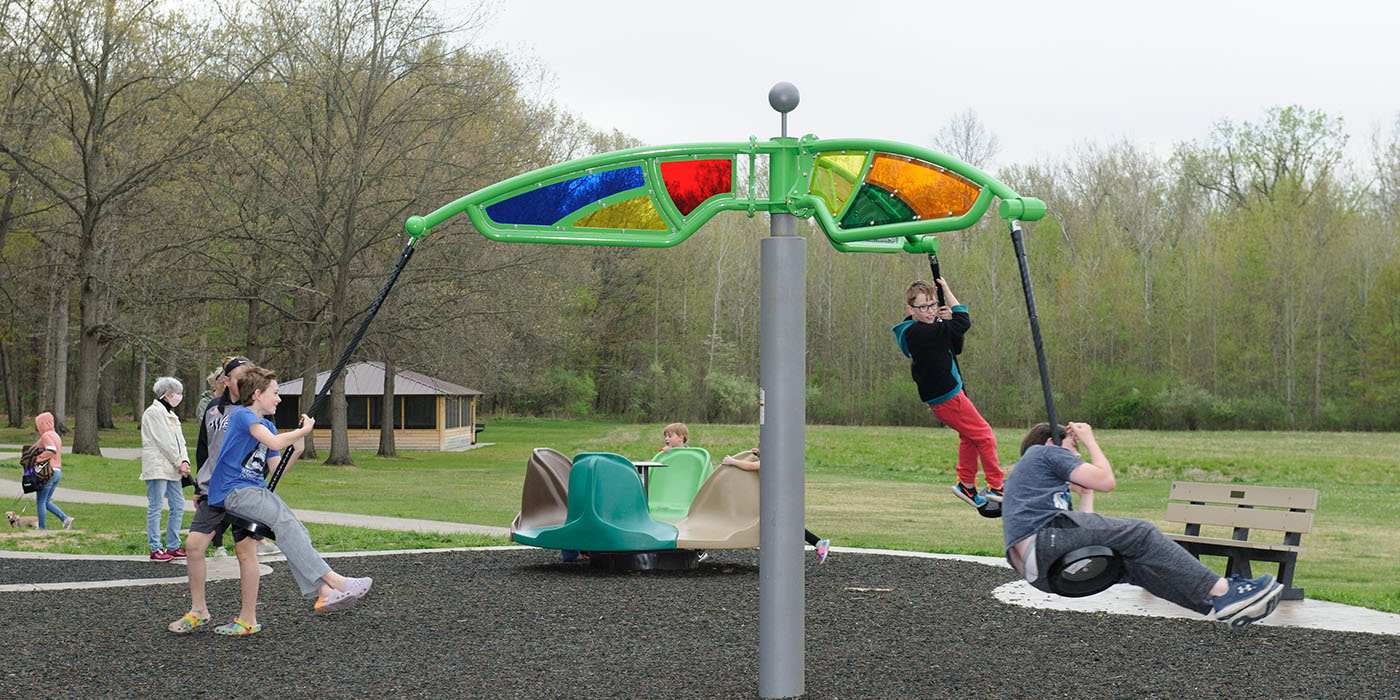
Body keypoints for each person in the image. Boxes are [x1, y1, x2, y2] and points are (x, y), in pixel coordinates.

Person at [1002, 421, 1284, 628]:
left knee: (1136, 566)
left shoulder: (1040, 488)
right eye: (1072, 448)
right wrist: (1089, 440)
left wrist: (1085, 494)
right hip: (1042, 544)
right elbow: (1106, 481)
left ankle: (1216, 604)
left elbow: (1084, 530)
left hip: (1040, 571)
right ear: (1052, 444)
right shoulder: (1043, 453)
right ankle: (1223, 591)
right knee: (1141, 533)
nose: (1076, 455)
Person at [205, 365, 372, 635]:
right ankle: (337, 581)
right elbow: (272, 442)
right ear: (257, 394)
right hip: (233, 491)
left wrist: (299, 447)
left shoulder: (267, 425)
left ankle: (323, 591)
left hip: (256, 490)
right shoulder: (242, 416)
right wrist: (300, 433)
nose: (279, 399)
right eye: (275, 393)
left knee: (294, 528)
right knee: (285, 522)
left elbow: (277, 467)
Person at [892, 277, 1003, 508]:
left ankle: (966, 485)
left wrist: (947, 319)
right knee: (984, 435)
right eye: (922, 307)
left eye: (932, 305)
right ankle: (997, 486)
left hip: (949, 393)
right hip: (947, 397)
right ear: (910, 309)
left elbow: (956, 344)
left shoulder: (933, 328)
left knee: (970, 437)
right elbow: (964, 321)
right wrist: (948, 293)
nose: (929, 311)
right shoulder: (918, 334)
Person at [168, 357, 254, 634]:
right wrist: (198, 486)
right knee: (194, 546)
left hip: (243, 490)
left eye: (248, 377)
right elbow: (204, 448)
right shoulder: (212, 409)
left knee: (244, 551)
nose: (243, 383)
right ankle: (198, 610)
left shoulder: (254, 407)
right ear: (225, 380)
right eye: (238, 377)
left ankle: (247, 619)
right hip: (212, 490)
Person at [720, 447, 832, 564]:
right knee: (786, 524)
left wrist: (732, 461)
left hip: (779, 497)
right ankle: (817, 543)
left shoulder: (773, 458)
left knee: (785, 524)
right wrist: (760, 454)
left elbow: (752, 466)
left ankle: (818, 543)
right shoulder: (778, 457)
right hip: (782, 496)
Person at [140, 376, 190, 561]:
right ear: (167, 395)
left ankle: (173, 545)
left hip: (173, 468)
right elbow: (164, 442)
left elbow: (180, 441)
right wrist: (179, 462)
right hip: (158, 466)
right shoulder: (153, 413)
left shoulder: (172, 415)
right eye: (178, 393)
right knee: (156, 506)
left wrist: (185, 461)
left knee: (178, 505)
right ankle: (155, 547)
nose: (180, 397)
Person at [30, 412, 73, 530]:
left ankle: (42, 528)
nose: (37, 427)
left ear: (42, 423)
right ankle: (65, 519)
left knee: (40, 501)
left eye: (38, 424)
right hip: (57, 472)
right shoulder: (55, 435)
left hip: (48, 472)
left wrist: (37, 460)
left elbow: (51, 450)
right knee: (45, 501)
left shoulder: (46, 436)